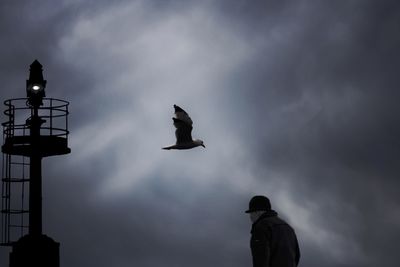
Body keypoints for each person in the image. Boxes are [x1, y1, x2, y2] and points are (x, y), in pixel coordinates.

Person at [246, 195, 300, 267]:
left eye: (251, 213)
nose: (250, 217)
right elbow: (297, 255)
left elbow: (261, 258)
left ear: (257, 212)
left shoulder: (261, 227)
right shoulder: (288, 228)